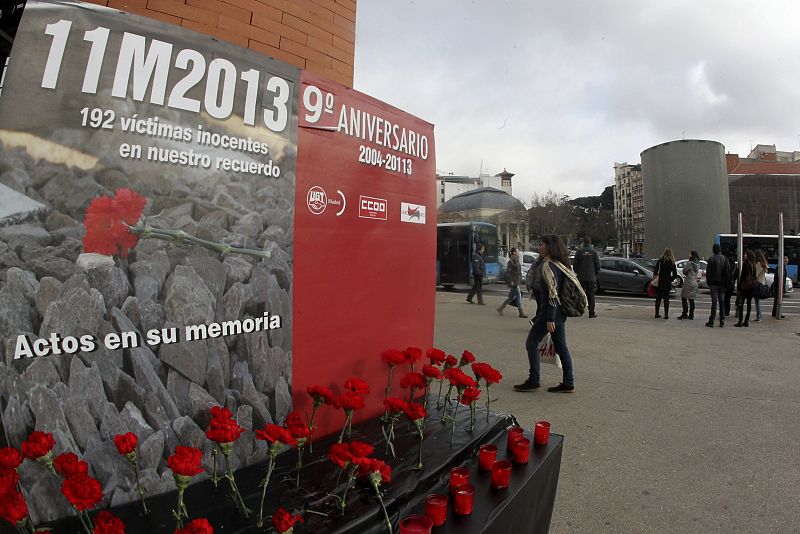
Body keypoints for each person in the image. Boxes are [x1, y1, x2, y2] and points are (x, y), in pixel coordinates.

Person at [514, 235, 575, 393]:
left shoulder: (548, 266)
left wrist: (549, 318)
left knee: (532, 342)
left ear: (549, 247)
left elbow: (553, 294)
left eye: (541, 245)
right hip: (561, 312)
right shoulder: (560, 265)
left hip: (550, 312)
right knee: (561, 346)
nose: (538, 247)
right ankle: (568, 382)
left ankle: (534, 380)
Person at [573, 236, 600, 318]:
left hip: (581, 277)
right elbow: (598, 265)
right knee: (591, 296)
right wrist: (594, 274)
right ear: (590, 242)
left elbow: (575, 265)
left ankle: (579, 311)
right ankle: (591, 313)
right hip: (591, 277)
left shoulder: (579, 252)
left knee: (580, 294)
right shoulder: (594, 252)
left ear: (583, 242)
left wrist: (578, 272)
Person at [497, 248, 528, 318]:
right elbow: (508, 273)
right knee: (518, 296)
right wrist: (510, 281)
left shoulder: (516, 260)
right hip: (514, 282)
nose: (519, 252)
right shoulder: (511, 262)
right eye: (517, 251)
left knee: (511, 298)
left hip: (516, 281)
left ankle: (500, 308)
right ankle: (521, 312)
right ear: (514, 253)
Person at [705, 244, 730, 328]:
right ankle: (722, 320)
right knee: (721, 301)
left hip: (713, 283)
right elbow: (727, 271)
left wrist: (708, 282)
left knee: (714, 302)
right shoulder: (724, 259)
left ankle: (711, 320)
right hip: (722, 283)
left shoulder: (711, 259)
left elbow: (708, 273)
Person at [653, 248, 678, 319]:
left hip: (660, 281)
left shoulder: (660, 261)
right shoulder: (672, 262)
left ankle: (657, 313)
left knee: (658, 299)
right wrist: (670, 279)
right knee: (666, 299)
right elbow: (675, 274)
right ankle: (666, 315)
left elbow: (655, 270)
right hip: (667, 282)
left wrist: (656, 276)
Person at [735, 250, 757, 327]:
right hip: (751, 287)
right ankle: (746, 321)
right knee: (749, 304)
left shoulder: (746, 263)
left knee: (741, 304)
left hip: (745, 287)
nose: (744, 255)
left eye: (745, 254)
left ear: (748, 256)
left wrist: (739, 287)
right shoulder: (754, 264)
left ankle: (740, 321)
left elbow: (743, 276)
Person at [678, 250, 700, 320]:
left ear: (692, 256)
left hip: (688, 282)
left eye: (690, 254)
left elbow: (684, 271)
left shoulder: (690, 263)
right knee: (691, 300)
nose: (688, 255)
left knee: (684, 297)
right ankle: (691, 315)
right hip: (694, 282)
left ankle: (684, 313)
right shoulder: (698, 264)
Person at [753, 250, 769, 322]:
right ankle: (758, 316)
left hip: (758, 284)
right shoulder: (763, 263)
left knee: (757, 301)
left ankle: (759, 317)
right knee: (757, 301)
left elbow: (756, 275)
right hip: (762, 283)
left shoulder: (759, 264)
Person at [723, 253, 737, 319]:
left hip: (725, 284)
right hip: (731, 285)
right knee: (728, 299)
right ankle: (727, 313)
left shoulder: (726, 266)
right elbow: (736, 276)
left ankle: (723, 312)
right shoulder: (735, 267)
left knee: (724, 299)